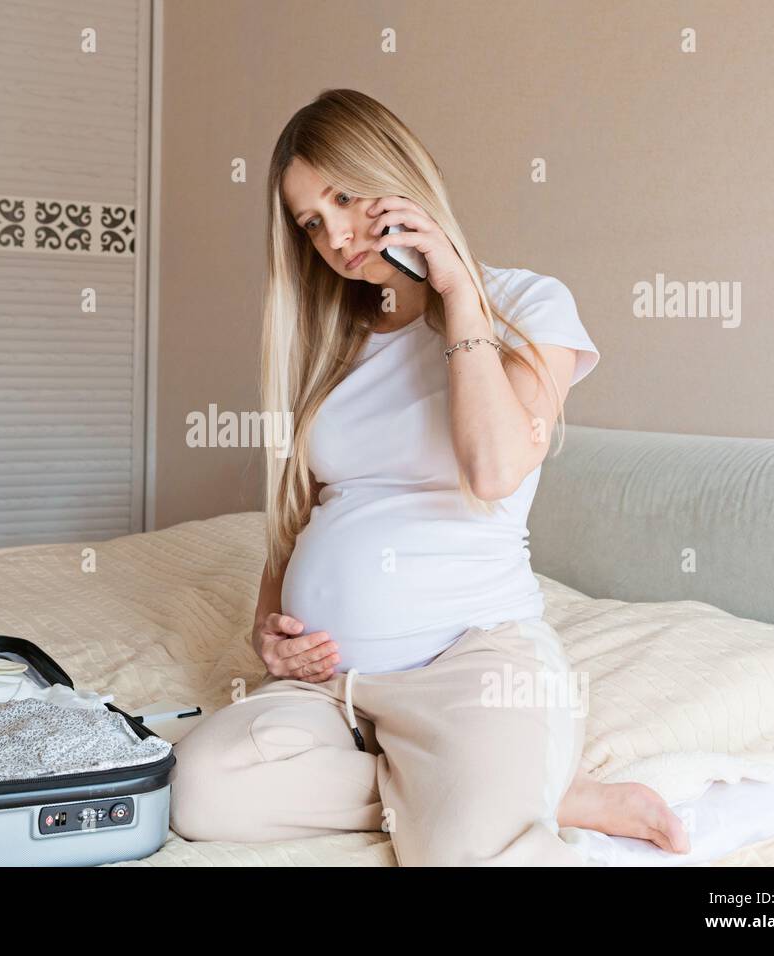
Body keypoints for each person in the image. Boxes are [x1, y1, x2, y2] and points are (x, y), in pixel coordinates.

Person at [167, 89, 691, 866]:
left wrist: (456, 296)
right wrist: (266, 632)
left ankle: (490, 787)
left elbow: (493, 469)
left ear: (398, 172)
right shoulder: (331, 340)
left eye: (344, 197)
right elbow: (299, 513)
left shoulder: (525, 305)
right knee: (196, 788)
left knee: (461, 855)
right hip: (334, 688)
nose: (336, 235)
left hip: (471, 661)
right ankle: (503, 788)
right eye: (312, 221)